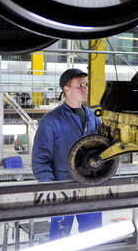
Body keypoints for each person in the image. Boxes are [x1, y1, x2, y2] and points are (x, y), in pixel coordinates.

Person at [32, 68, 103, 240]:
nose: (85, 88)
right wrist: (50, 188)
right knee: (60, 239)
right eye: (79, 85)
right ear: (66, 89)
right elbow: (40, 159)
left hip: (90, 186)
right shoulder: (51, 120)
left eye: (85, 85)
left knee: (93, 238)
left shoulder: (94, 117)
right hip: (62, 189)